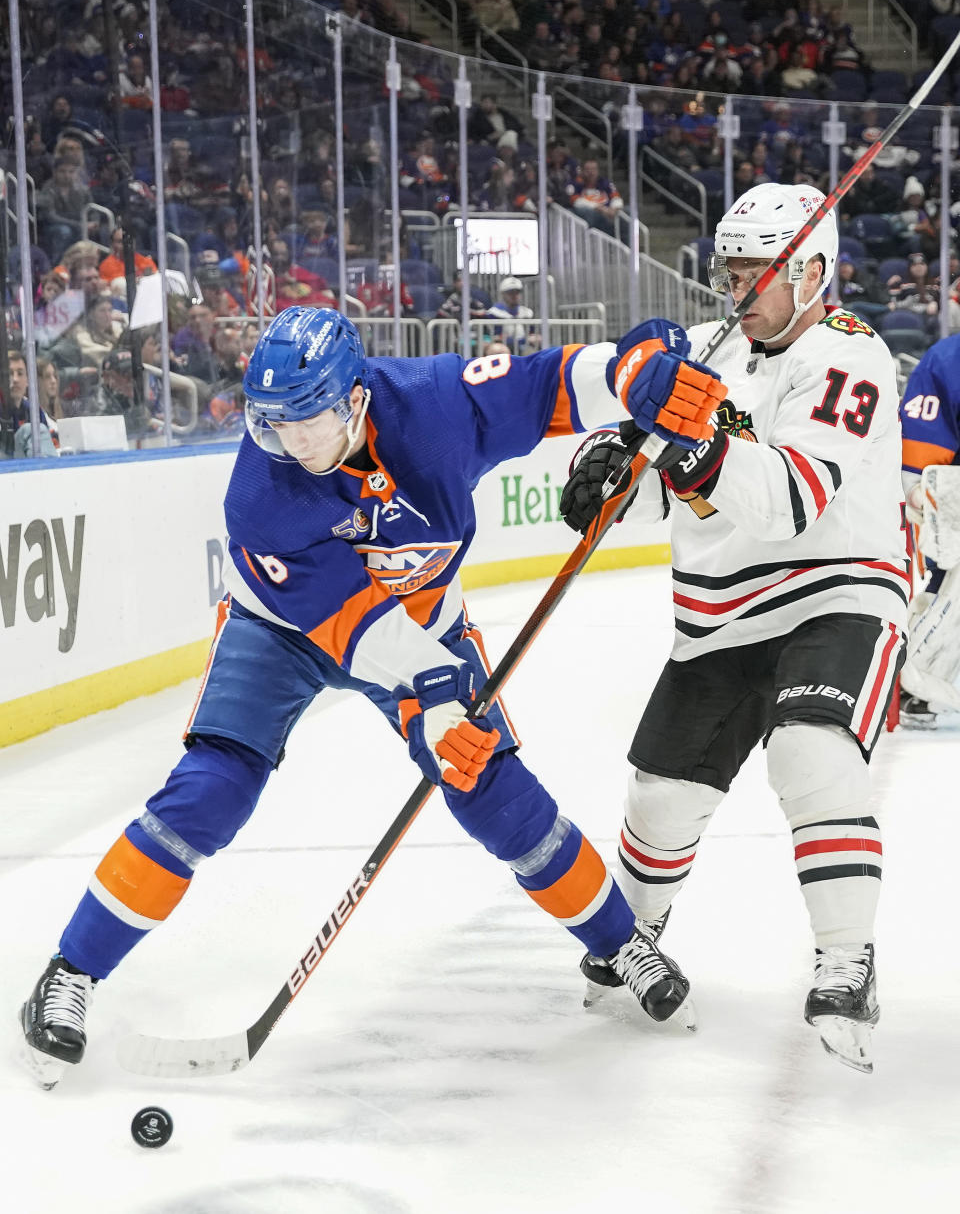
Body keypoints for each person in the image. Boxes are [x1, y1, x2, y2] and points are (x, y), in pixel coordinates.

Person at [20, 305, 701, 1089]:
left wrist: (633, 372)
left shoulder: (439, 404)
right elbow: (353, 626)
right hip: (279, 630)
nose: (293, 441)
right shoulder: (260, 495)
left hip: (424, 621)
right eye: (274, 421)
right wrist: (440, 692)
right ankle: (70, 970)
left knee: (492, 790)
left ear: (354, 399)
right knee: (210, 792)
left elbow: (554, 383)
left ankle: (620, 943)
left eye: (309, 418)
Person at [558, 183, 907, 1074]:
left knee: (811, 749)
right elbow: (661, 476)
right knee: (660, 797)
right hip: (719, 617)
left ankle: (846, 963)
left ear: (816, 273)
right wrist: (611, 473)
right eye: (735, 270)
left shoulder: (847, 355)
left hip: (836, 592)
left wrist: (692, 447)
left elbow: (790, 499)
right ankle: (632, 936)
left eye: (763, 272)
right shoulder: (715, 360)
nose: (743, 289)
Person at [897, 334, 960, 728]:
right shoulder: (948, 359)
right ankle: (922, 687)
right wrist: (920, 487)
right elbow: (924, 440)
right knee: (948, 586)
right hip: (957, 507)